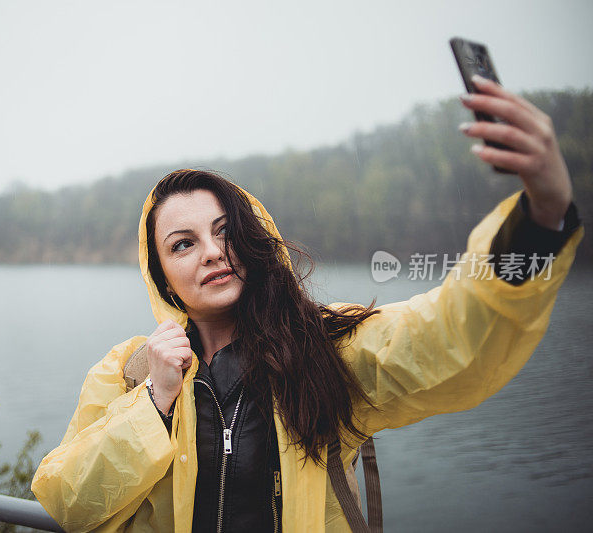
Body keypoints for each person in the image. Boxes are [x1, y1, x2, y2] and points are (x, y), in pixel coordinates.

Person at [31, 76, 584, 532]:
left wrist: (543, 216)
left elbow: (447, 335)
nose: (212, 253)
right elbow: (67, 499)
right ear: (164, 281)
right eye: (183, 244)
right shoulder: (129, 371)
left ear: (252, 238)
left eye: (226, 232)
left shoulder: (324, 350)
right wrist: (156, 401)